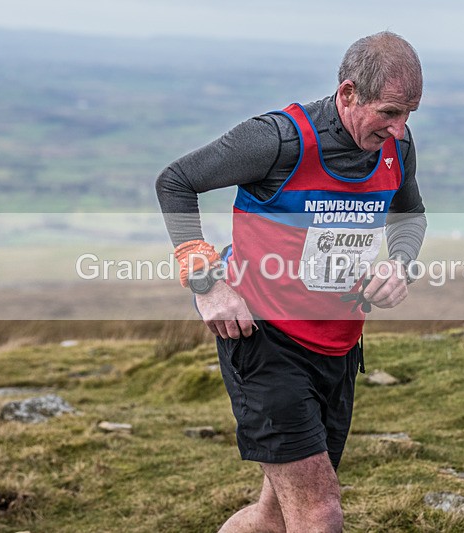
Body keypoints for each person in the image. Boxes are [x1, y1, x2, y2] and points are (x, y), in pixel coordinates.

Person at [156, 31, 426, 532]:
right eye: (389, 112)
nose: (399, 127)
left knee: (274, 515)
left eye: (409, 114)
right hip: (264, 340)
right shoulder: (278, 140)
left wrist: (399, 264)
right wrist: (208, 284)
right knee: (319, 515)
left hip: (338, 349)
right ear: (348, 93)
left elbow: (409, 216)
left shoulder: (398, 147)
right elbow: (176, 181)